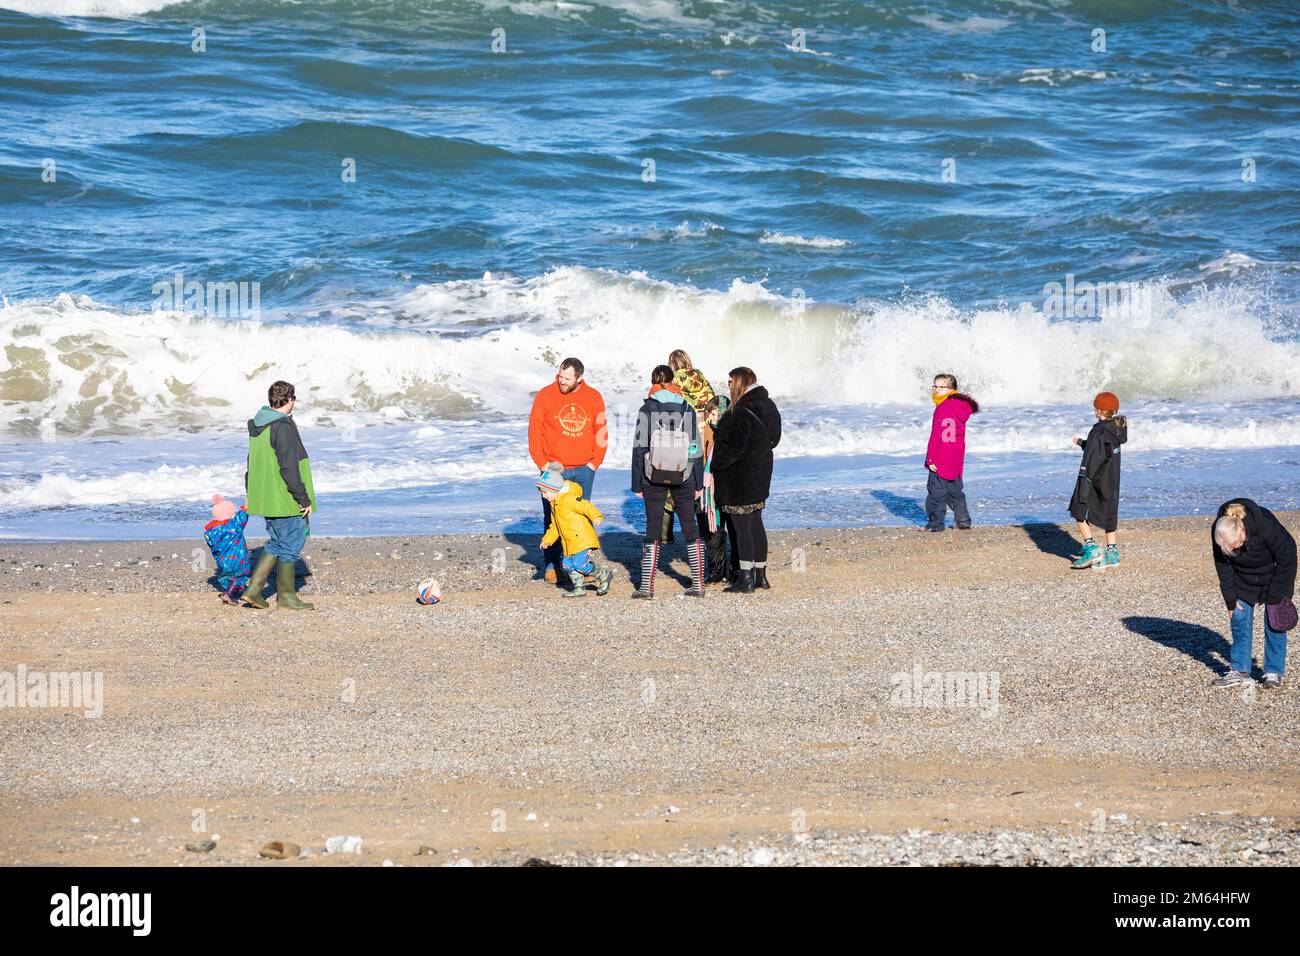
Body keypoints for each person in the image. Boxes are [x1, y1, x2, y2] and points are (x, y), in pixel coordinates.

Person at [528, 357, 607, 585]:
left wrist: (595, 463)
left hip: (584, 468)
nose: (561, 381)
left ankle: (581, 566)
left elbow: (601, 432)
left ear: (579, 378)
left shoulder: (594, 397)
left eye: (567, 379)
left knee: (580, 517)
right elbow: (534, 433)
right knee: (553, 517)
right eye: (560, 376)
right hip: (553, 469)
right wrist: (543, 465)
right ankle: (553, 567)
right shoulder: (545, 395)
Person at [631, 365, 706, 598]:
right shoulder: (687, 408)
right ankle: (698, 585)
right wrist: (698, 481)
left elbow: (639, 448)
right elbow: (695, 448)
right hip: (683, 473)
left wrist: (636, 484)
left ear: (653, 381)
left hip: (653, 475)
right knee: (689, 526)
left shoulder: (646, 408)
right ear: (674, 381)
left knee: (653, 527)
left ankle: (646, 587)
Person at [243, 380, 316, 610]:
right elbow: (289, 466)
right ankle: (286, 597)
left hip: (266, 496)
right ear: (290, 399)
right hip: (284, 498)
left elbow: (250, 464)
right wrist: (303, 498)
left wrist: (251, 492)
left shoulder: (259, 425)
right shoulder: (282, 426)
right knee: (292, 543)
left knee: (277, 542)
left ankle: (253, 591)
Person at [1210, 499, 1296, 689]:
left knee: (1275, 623)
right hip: (1242, 579)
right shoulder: (1221, 531)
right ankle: (1240, 670)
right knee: (1239, 617)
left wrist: (1277, 594)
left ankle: (1273, 671)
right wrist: (1230, 600)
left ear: (1243, 532)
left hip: (1274, 576)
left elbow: (1288, 557)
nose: (1229, 550)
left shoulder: (1265, 525)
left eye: (1233, 546)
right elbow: (1223, 566)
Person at [710, 367, 781, 593]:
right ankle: (761, 576)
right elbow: (775, 438)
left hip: (740, 477)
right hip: (761, 472)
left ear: (740, 382)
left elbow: (733, 449)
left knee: (742, 528)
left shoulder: (740, 411)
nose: (728, 386)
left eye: (731, 381)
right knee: (756, 524)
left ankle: (746, 579)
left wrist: (715, 465)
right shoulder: (768, 405)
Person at [660, 349, 718, 546]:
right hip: (706, 438)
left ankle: (667, 531)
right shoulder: (702, 379)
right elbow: (715, 405)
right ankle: (707, 529)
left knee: (674, 481)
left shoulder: (672, 381)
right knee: (702, 483)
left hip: (687, 438)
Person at [1068, 392, 1128, 569]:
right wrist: (1082, 443)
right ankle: (1112, 553)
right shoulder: (1115, 429)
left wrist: (1084, 479)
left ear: (1099, 410)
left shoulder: (1098, 431)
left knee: (1079, 511)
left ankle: (1092, 549)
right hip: (1112, 481)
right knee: (1110, 514)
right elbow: (1100, 452)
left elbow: (1092, 459)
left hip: (1094, 479)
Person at [537, 468, 613, 598]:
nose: (544, 496)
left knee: (580, 565)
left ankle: (603, 575)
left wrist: (596, 517)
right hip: (569, 542)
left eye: (545, 493)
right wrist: (547, 540)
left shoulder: (570, 499)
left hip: (582, 539)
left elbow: (586, 506)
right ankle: (579, 588)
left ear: (555, 489)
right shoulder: (555, 504)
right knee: (567, 565)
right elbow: (555, 525)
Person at [922, 373, 978, 532]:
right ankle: (963, 521)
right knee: (954, 490)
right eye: (935, 386)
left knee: (935, 492)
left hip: (941, 455)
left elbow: (937, 437)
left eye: (941, 387)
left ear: (951, 389)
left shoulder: (943, 408)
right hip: (956, 454)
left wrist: (931, 459)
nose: (936, 390)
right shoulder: (959, 406)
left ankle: (936, 525)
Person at [700, 395, 732, 583]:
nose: (716, 419)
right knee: (713, 530)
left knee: (731, 529)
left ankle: (733, 569)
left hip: (727, 485)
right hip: (708, 488)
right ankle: (716, 571)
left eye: (719, 414)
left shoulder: (730, 431)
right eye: (713, 414)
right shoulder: (704, 431)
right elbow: (699, 458)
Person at [204, 494, 250, 606]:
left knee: (225, 576)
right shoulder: (233, 527)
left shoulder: (210, 531)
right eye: (232, 513)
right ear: (228, 515)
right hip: (236, 559)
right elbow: (242, 517)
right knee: (240, 576)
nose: (234, 515)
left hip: (222, 561)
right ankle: (229, 594)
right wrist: (246, 507)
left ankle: (230, 591)